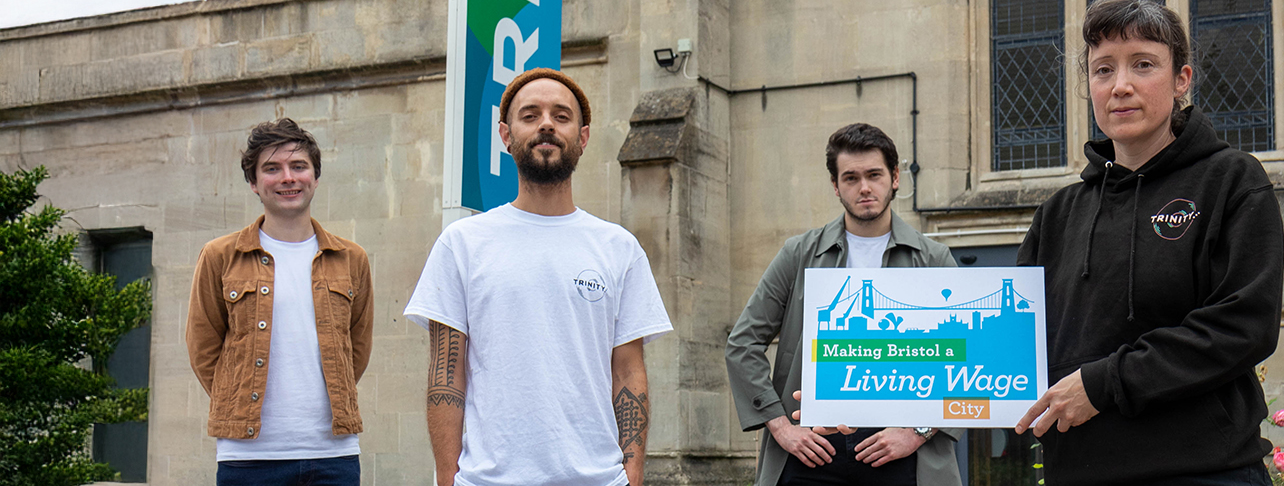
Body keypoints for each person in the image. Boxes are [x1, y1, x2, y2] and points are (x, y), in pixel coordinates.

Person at [1011, 0, 1284, 485]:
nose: (1121, 86)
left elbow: (1244, 326)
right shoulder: (1057, 215)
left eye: (1142, 65)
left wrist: (1103, 384)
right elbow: (1008, 351)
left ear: (1182, 79)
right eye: (1103, 69)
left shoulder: (1230, 182)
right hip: (1080, 473)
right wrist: (884, 401)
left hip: (1202, 471)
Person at [405, 68, 673, 486]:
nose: (546, 124)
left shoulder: (618, 248)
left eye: (561, 116)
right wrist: (447, 478)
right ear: (505, 135)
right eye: (530, 115)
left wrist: (632, 474)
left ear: (582, 138)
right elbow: (446, 372)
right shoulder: (462, 244)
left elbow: (628, 371)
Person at [725, 123, 963, 486]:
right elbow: (742, 344)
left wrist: (917, 432)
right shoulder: (798, 254)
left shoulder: (933, 259)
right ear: (836, 186)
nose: (864, 187)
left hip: (899, 450)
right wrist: (780, 426)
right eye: (850, 178)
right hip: (811, 447)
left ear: (895, 177)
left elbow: (970, 359)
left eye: (874, 175)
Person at [186, 118, 373, 485]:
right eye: (272, 169)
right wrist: (236, 398)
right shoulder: (220, 256)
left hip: (333, 455)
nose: (288, 177)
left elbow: (358, 348)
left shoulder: (352, 258)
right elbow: (203, 348)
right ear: (254, 183)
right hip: (249, 457)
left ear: (315, 178)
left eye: (298, 166)